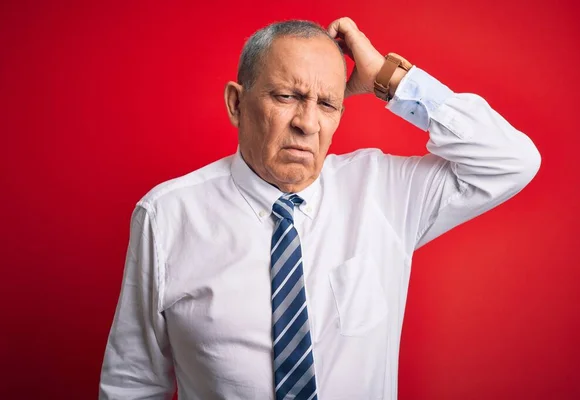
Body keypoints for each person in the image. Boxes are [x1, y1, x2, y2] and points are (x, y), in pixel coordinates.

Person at [99, 17, 541, 400]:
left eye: (327, 103)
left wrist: (390, 78)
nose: (307, 123)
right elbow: (133, 381)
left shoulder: (385, 191)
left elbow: (512, 161)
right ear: (237, 103)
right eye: (286, 96)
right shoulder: (167, 214)